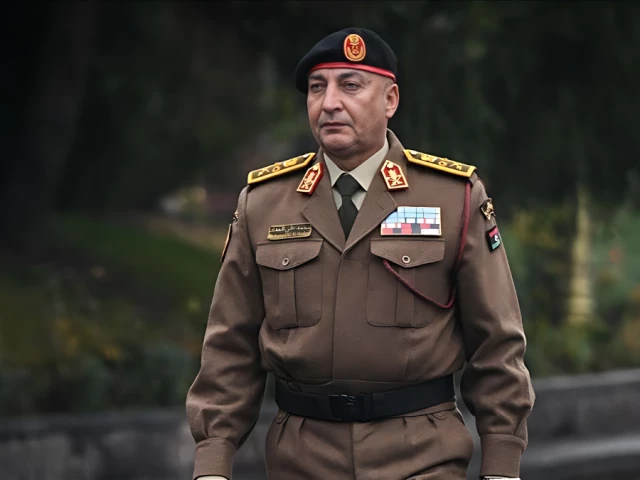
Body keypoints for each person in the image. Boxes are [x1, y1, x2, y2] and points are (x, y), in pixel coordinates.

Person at [186, 27, 535, 480]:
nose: (329, 102)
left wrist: (502, 464)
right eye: (317, 88)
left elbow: (497, 342)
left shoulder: (452, 197)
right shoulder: (264, 202)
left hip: (420, 454)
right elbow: (229, 345)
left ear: (390, 100)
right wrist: (212, 463)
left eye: (350, 85)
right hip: (301, 457)